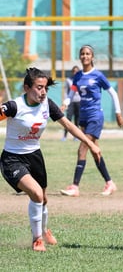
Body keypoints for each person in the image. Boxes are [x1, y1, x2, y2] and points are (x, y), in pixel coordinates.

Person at [0, 68, 101, 251]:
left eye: (45, 87)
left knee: (43, 198)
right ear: (26, 88)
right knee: (37, 194)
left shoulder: (47, 104)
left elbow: (69, 125)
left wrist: (91, 144)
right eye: (39, 87)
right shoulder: (15, 106)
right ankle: (37, 239)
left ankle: (44, 230)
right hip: (12, 159)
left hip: (35, 156)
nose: (43, 92)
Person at [60, 44, 123, 197]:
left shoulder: (98, 75)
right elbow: (72, 93)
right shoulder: (78, 76)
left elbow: (113, 94)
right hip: (83, 117)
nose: (85, 56)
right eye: (82, 53)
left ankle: (75, 186)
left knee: (83, 148)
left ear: (92, 57)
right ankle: (110, 183)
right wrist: (65, 103)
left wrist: (118, 113)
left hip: (95, 116)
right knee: (95, 151)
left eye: (88, 53)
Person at [62, 65, 81, 141]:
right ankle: (65, 136)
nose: (75, 72)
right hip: (71, 102)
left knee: (77, 120)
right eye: (74, 71)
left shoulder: (81, 80)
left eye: (77, 71)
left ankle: (76, 137)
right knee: (68, 119)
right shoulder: (68, 80)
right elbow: (66, 93)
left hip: (79, 101)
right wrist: (65, 102)